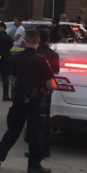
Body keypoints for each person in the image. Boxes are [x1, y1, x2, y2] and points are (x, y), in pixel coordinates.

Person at [0, 29, 54, 173]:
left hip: (19, 97)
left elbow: (12, 77)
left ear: (24, 41)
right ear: (38, 42)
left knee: (13, 130)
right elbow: (50, 83)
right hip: (36, 100)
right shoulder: (41, 59)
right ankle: (34, 164)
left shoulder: (17, 56)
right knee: (36, 132)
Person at [30, 26, 61, 158]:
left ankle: (35, 150)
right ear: (48, 40)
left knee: (33, 122)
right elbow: (56, 71)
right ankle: (45, 150)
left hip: (32, 89)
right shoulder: (53, 55)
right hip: (47, 91)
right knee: (45, 120)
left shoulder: (34, 53)